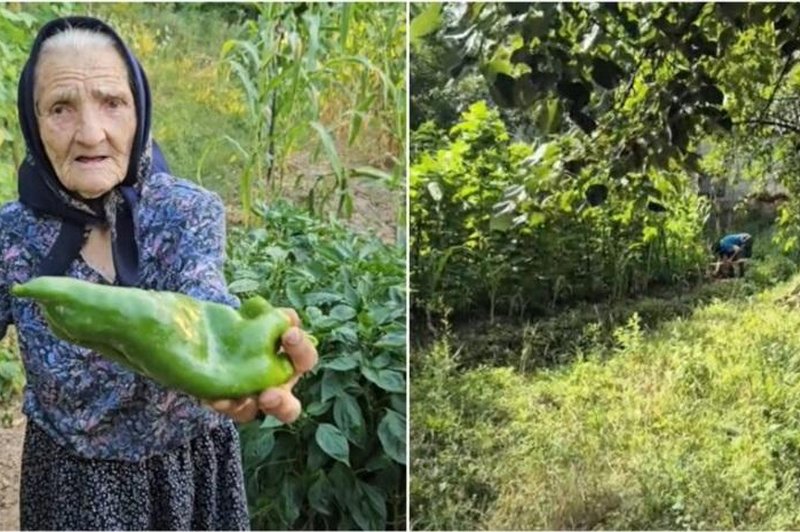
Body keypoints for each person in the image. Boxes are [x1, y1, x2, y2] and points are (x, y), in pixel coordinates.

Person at [4, 16, 318, 530]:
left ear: (140, 109)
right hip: (71, 484)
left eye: (112, 102)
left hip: (188, 475)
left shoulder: (186, 211)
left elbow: (206, 304)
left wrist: (254, 361)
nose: (90, 133)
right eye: (61, 108)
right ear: (33, 122)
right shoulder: (9, 237)